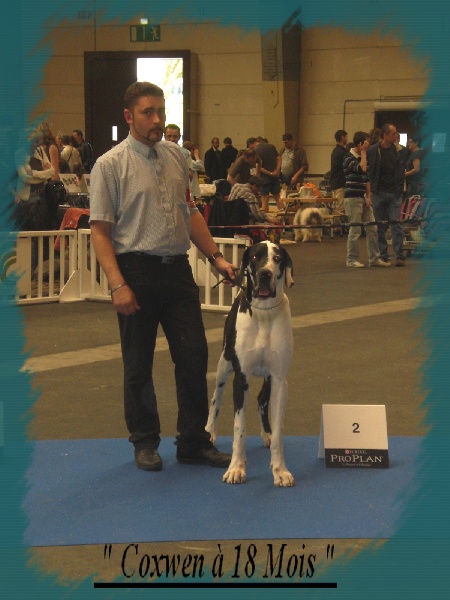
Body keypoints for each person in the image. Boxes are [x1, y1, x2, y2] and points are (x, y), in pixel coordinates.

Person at [89, 81, 235, 472]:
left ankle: (193, 442)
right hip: (135, 272)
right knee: (138, 364)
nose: (157, 120)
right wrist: (118, 284)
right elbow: (100, 231)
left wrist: (216, 258)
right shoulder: (109, 165)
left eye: (161, 111)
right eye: (148, 113)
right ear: (129, 116)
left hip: (178, 270)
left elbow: (190, 213)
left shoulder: (178, 157)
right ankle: (145, 442)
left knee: (194, 355)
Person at [343, 131, 391, 268]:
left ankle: (374, 258)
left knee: (372, 228)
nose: (368, 146)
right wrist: (363, 153)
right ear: (360, 144)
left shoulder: (364, 157)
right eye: (366, 144)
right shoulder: (348, 158)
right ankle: (351, 259)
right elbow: (362, 169)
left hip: (363, 197)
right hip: (352, 198)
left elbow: (367, 179)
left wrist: (368, 197)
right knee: (355, 230)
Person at [367, 123, 408, 267]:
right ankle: (383, 255)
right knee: (380, 226)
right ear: (385, 135)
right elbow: (370, 171)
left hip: (394, 193)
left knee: (396, 225)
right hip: (378, 192)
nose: (396, 136)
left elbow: (401, 170)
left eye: (396, 133)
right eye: (393, 133)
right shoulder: (373, 150)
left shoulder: (399, 150)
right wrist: (371, 192)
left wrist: (400, 189)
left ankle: (399, 255)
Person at [255, 138, 284, 212]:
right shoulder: (271, 146)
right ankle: (284, 214)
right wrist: (277, 170)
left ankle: (265, 217)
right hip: (275, 177)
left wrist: (270, 173)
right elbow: (279, 158)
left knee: (264, 199)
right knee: (277, 197)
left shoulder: (256, 149)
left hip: (264, 179)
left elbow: (259, 167)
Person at [330, 130, 349, 214]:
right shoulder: (342, 152)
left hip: (335, 184)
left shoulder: (335, 151)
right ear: (342, 137)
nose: (347, 139)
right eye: (346, 137)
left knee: (337, 208)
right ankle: (338, 223)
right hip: (340, 185)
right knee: (340, 209)